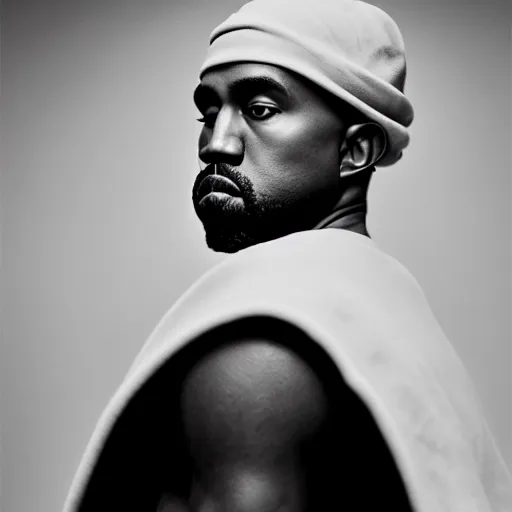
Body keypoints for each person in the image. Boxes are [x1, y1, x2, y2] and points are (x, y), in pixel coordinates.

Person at [63, 1, 512, 511]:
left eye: (260, 110)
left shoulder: (262, 350)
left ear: (356, 150)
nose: (217, 142)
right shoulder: (387, 315)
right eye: (209, 113)